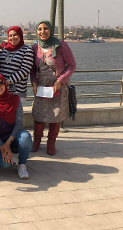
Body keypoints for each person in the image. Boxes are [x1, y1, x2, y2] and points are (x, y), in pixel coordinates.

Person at [30, 20, 76, 155]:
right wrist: (33, 82)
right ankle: (36, 141)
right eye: (39, 29)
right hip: (41, 88)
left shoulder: (61, 45)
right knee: (38, 115)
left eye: (45, 28)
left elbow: (72, 65)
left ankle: (51, 143)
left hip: (58, 88)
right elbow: (33, 69)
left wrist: (60, 81)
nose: (42, 32)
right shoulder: (34, 48)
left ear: (50, 30)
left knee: (55, 116)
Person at [0, 74, 32, 179]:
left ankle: (22, 164)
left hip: (13, 138)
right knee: (4, 164)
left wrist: (8, 143)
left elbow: (19, 124)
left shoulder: (15, 100)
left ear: (5, 84)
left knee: (25, 137)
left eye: (1, 83)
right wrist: (2, 147)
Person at [0, 26, 34, 103]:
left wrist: (7, 82)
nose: (13, 38)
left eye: (15, 35)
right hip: (0, 89)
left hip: (16, 91)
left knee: (14, 114)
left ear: (20, 35)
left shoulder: (27, 51)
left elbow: (24, 70)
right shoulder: (3, 48)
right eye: (10, 36)